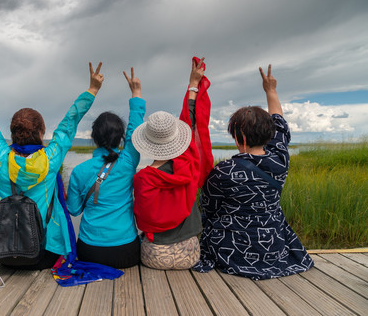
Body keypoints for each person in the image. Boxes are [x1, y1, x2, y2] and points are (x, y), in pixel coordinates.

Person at [0, 60, 104, 269]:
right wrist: (92, 89)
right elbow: (70, 123)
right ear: (42, 132)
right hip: (43, 255)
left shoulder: (1, 158)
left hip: (3, 253)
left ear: (13, 133)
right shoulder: (50, 159)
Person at [194, 64, 314, 280]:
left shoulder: (224, 171)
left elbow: (208, 209)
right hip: (274, 247)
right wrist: (271, 90)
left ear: (240, 137)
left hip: (232, 252)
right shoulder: (280, 158)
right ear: (269, 134)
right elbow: (280, 123)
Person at [131, 57, 213, 270]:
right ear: (179, 139)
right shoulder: (189, 163)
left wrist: (135, 95)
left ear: (147, 143)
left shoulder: (142, 178)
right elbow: (190, 119)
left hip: (156, 256)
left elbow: (142, 219)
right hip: (190, 254)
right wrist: (193, 85)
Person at [67, 68, 145, 269]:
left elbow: (74, 210)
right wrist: (135, 94)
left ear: (93, 138)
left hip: (89, 251)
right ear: (120, 138)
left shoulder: (79, 171)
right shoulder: (128, 162)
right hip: (126, 250)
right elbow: (135, 130)